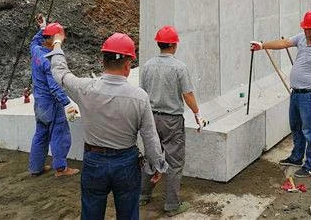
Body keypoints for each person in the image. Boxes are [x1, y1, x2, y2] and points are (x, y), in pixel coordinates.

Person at [48, 31, 168, 220]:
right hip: (126, 164)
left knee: (91, 213)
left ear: (103, 62)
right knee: (128, 214)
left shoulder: (85, 88)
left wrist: (57, 43)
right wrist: (157, 165)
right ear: (128, 65)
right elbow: (149, 137)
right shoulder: (139, 97)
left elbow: (59, 73)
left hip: (94, 161)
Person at [250, 10, 311, 178]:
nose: (304, 30)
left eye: (307, 28)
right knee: (296, 127)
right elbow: (284, 43)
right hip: (296, 94)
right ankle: (296, 158)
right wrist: (262, 46)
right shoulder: (303, 39)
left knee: (310, 131)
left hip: (310, 96)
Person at [139, 25, 204, 217]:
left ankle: (143, 194)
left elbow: (142, 93)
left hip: (150, 118)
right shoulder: (179, 67)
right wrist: (197, 113)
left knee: (151, 156)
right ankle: (172, 205)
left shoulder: (148, 65)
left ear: (159, 44)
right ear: (174, 46)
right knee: (174, 163)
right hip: (172, 120)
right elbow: (188, 94)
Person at [28, 15, 79, 178]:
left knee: (41, 134)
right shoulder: (49, 60)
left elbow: (34, 41)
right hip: (52, 104)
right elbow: (55, 86)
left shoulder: (36, 50)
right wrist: (67, 103)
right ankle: (61, 169)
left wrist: (42, 28)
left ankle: (36, 168)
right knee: (60, 134)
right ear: (51, 39)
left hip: (40, 104)